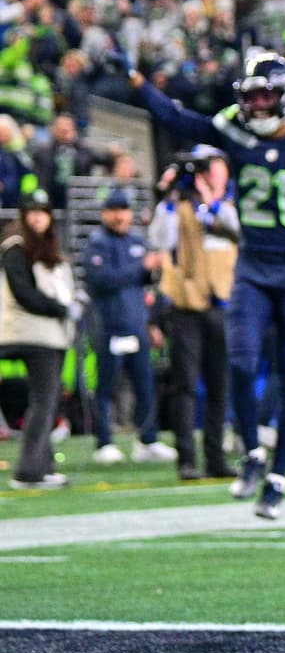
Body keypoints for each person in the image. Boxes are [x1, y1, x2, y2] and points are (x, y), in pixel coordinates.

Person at [131, 50, 285, 518]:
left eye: (265, 95)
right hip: (254, 266)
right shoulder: (233, 130)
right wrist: (137, 84)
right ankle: (253, 451)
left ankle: (279, 476)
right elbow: (177, 119)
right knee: (238, 360)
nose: (256, 105)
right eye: (250, 96)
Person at [150, 149, 239, 481]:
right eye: (205, 171)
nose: (211, 177)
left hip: (223, 303)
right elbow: (160, 239)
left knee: (220, 385)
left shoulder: (228, 207)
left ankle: (216, 456)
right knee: (185, 384)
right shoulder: (178, 207)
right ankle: (186, 458)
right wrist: (171, 196)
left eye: (215, 170)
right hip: (185, 305)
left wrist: (211, 202)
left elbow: (237, 232)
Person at [83, 187, 171, 465]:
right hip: (109, 326)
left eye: (124, 210)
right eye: (115, 210)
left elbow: (149, 286)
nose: (120, 216)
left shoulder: (136, 241)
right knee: (106, 386)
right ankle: (104, 442)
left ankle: (148, 440)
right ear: (105, 213)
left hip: (137, 325)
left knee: (145, 386)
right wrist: (140, 266)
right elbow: (102, 280)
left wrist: (153, 322)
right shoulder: (97, 243)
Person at [2, 190, 79, 488]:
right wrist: (61, 308)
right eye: (32, 212)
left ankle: (43, 466)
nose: (38, 217)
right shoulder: (15, 247)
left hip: (51, 335)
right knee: (44, 401)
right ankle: (28, 471)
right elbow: (24, 294)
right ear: (23, 216)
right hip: (31, 333)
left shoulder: (50, 249)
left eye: (43, 212)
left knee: (47, 401)